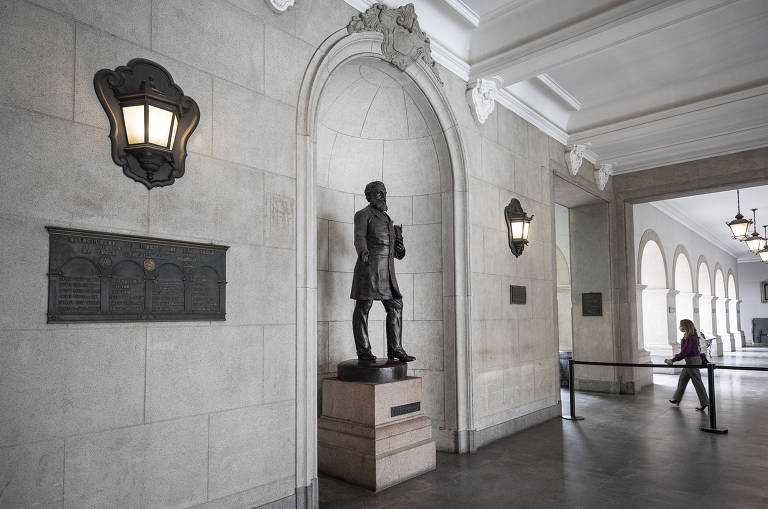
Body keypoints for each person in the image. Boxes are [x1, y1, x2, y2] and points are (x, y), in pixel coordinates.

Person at [350, 181, 415, 362]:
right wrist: (363, 252)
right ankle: (364, 351)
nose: (383, 196)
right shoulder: (363, 214)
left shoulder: (387, 220)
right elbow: (359, 236)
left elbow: (398, 254)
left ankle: (395, 348)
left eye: (384, 192)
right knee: (364, 306)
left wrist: (400, 243)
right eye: (379, 193)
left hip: (387, 271)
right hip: (369, 267)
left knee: (396, 305)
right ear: (369, 196)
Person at [665, 319, 709, 411]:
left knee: (697, 382)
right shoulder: (689, 336)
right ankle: (677, 398)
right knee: (682, 379)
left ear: (685, 326)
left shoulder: (690, 338)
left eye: (681, 325)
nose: (680, 327)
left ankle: (704, 402)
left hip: (692, 361)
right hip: (690, 361)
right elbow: (685, 352)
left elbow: (685, 352)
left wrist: (673, 360)